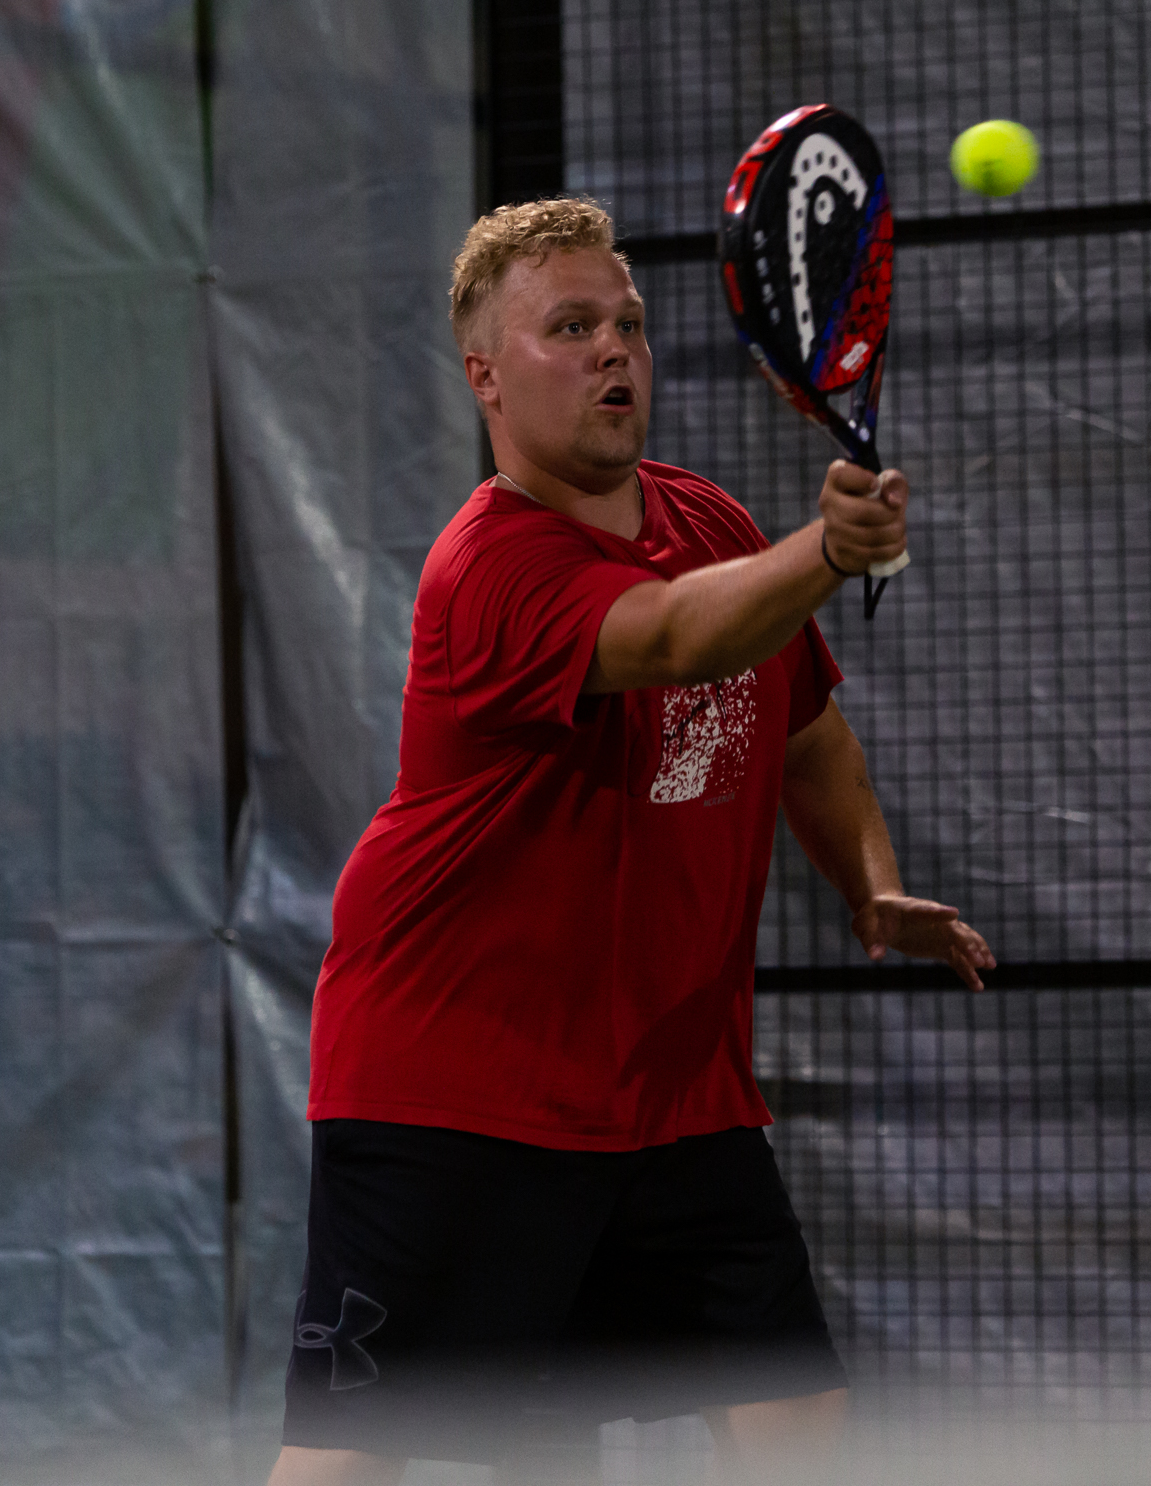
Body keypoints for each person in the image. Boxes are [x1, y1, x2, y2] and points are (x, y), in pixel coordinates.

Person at [267, 198, 992, 1485]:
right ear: (486, 378)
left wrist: (871, 883)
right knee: (357, 1461)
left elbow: (807, 733)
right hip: (457, 1090)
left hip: (672, 1095)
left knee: (797, 1424)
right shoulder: (487, 569)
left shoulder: (709, 524)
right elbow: (669, 637)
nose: (614, 349)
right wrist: (829, 549)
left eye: (630, 324)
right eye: (569, 327)